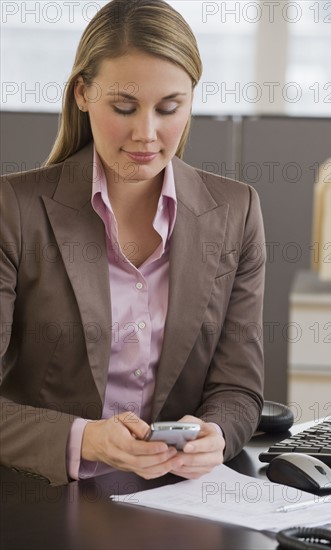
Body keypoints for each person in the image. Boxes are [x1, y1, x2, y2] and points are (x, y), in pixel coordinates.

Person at [0, 0, 266, 486]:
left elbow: (238, 389)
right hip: (43, 494)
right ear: (82, 94)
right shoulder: (14, 210)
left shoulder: (236, 212)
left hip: (173, 500)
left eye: (170, 108)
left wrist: (216, 433)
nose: (146, 134)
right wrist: (87, 439)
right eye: (124, 107)